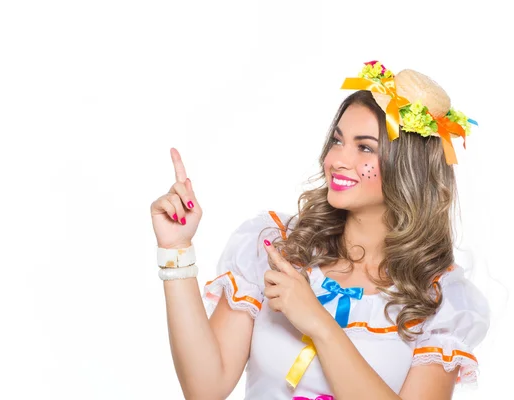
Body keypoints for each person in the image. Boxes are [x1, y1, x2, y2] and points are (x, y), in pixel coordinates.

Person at [150, 60, 490, 400]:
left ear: (408, 168)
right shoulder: (277, 247)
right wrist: (176, 250)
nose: (337, 160)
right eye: (338, 141)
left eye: (365, 147)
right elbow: (204, 389)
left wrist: (318, 321)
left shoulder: (439, 301)